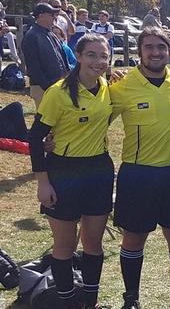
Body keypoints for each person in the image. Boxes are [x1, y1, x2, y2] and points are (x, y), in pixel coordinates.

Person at [109, 28, 170, 309]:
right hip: (138, 173)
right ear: (139, 51)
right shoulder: (121, 86)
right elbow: (95, 118)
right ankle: (131, 299)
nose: (156, 52)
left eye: (161, 47)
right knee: (134, 238)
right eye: (149, 47)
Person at [29, 33, 113, 308]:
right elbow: (35, 137)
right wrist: (43, 182)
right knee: (64, 244)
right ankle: (65, 302)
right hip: (64, 171)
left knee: (93, 243)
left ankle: (90, 301)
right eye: (91, 54)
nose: (98, 61)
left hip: (98, 169)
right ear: (77, 56)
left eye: (103, 55)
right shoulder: (59, 92)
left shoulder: (108, 86)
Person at [21, 3, 69, 107]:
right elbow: (33, 66)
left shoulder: (51, 33)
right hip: (42, 87)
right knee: (44, 119)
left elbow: (61, 57)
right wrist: (47, 86)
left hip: (57, 84)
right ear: (41, 15)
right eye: (51, 14)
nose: (54, 17)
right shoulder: (32, 36)